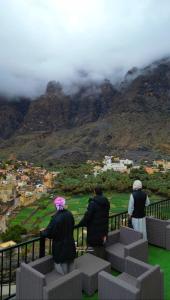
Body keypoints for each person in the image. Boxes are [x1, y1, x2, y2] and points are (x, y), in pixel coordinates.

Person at [40, 196, 76, 275]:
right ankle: (73, 282)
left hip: (60, 246)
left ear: (55, 206)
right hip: (70, 243)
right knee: (71, 266)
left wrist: (43, 232)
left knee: (62, 269)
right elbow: (72, 225)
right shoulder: (69, 214)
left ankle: (65, 284)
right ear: (64, 204)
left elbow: (49, 233)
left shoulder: (56, 218)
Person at [75, 186, 110, 258]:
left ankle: (93, 262)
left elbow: (87, 216)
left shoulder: (93, 203)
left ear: (94, 192)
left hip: (94, 230)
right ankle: (102, 262)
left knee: (92, 248)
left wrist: (79, 224)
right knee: (101, 245)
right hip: (103, 228)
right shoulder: (106, 201)